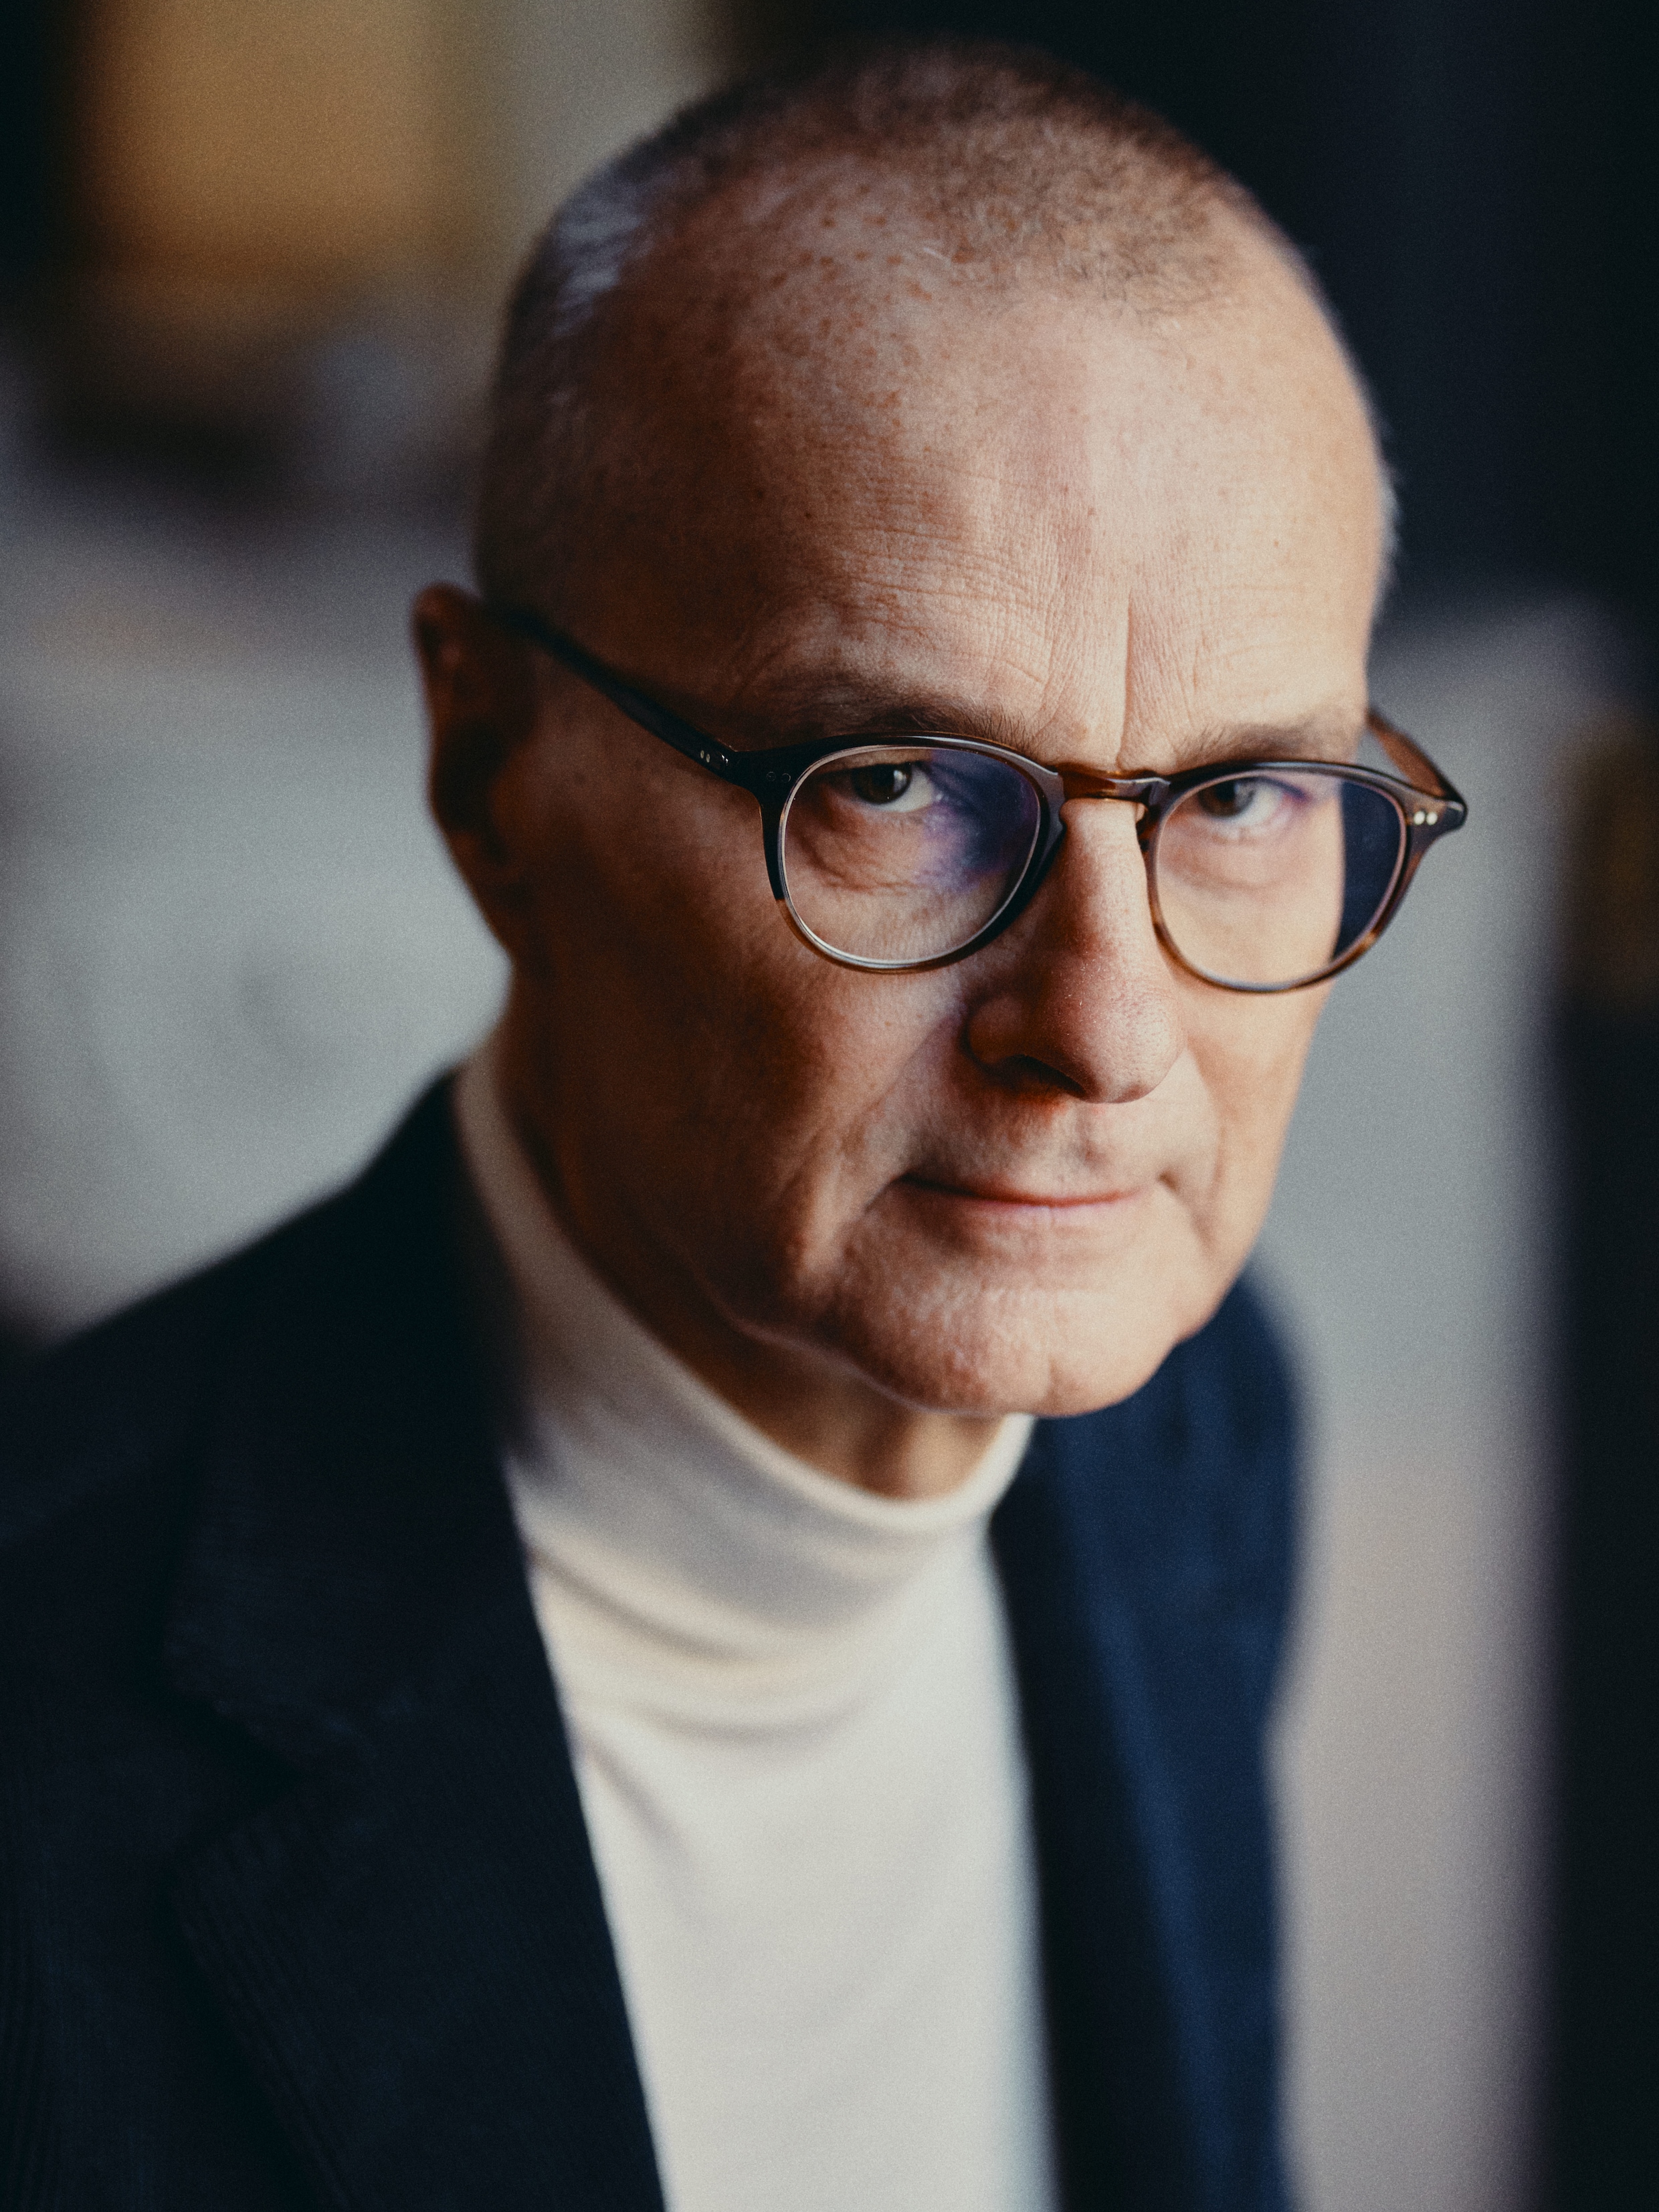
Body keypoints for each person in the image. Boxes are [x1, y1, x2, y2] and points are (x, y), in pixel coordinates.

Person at [0, 37, 1465, 2212]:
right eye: (896, 782)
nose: (1103, 1029)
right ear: (491, 768)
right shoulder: (47, 1733)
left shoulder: (1202, 1430)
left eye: (1244, 794)